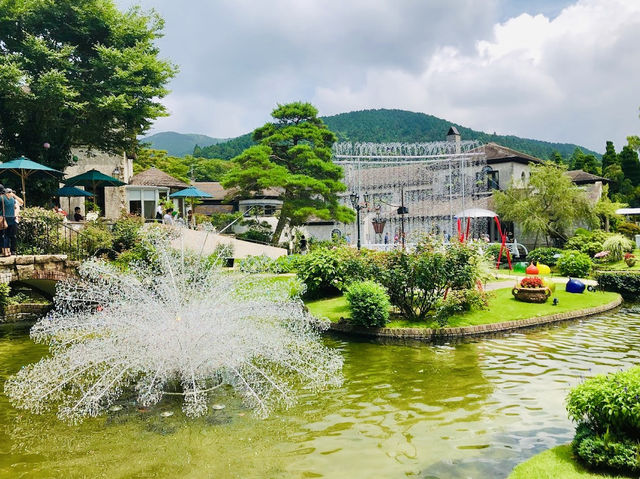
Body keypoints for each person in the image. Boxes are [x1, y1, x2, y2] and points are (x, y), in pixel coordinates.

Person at [0, 186, 23, 256]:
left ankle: (5, 252)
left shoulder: (1, 198)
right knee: (9, 236)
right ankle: (9, 251)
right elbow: (18, 205)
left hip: (3, 219)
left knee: (3, 236)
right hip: (12, 219)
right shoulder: (12, 199)